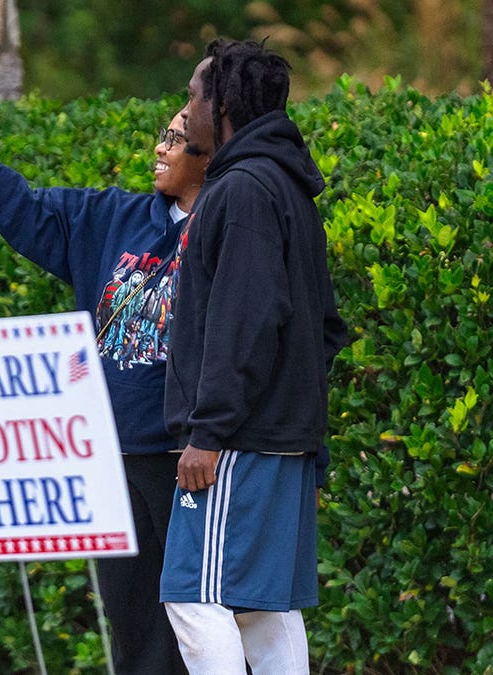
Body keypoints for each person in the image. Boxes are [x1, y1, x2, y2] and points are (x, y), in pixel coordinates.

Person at [0, 72, 206, 675]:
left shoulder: (232, 231)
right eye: (161, 135)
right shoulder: (111, 219)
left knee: (196, 621)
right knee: (129, 620)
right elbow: (20, 208)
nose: (159, 147)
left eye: (175, 139)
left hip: (185, 458)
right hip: (110, 455)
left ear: (210, 150)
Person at [159, 38, 349, 674]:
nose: (186, 112)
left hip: (236, 442)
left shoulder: (240, 190)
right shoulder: (291, 188)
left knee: (193, 594)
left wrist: (207, 432)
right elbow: (323, 326)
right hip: (280, 437)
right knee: (265, 610)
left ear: (225, 104)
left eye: (193, 96)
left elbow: (244, 322)